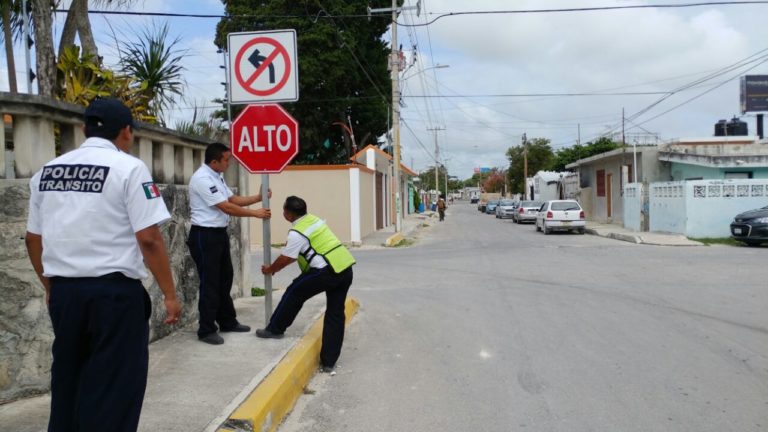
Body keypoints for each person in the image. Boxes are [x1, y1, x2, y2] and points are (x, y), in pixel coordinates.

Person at [24, 97, 182, 432]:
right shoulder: (129, 168)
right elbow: (149, 239)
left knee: (69, 383)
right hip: (114, 297)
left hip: (65, 294)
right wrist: (169, 293)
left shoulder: (46, 172)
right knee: (115, 389)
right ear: (126, 131)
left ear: (84, 128)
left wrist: (50, 287)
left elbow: (33, 240)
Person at [257, 196, 355, 373]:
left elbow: (287, 258)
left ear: (288, 213)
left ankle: (275, 329)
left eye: (284, 210)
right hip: (344, 267)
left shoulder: (297, 233)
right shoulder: (313, 220)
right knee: (335, 313)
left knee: (294, 292)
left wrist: (271, 269)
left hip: (325, 271)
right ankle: (329, 362)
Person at [188, 143, 271, 345]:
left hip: (218, 233)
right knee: (210, 283)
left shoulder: (217, 176)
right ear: (214, 161)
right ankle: (206, 329)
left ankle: (227, 321)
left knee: (225, 278)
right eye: (226, 160)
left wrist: (258, 197)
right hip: (205, 235)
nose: (229, 163)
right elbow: (226, 207)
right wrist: (255, 214)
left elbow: (233, 199)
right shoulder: (202, 179)